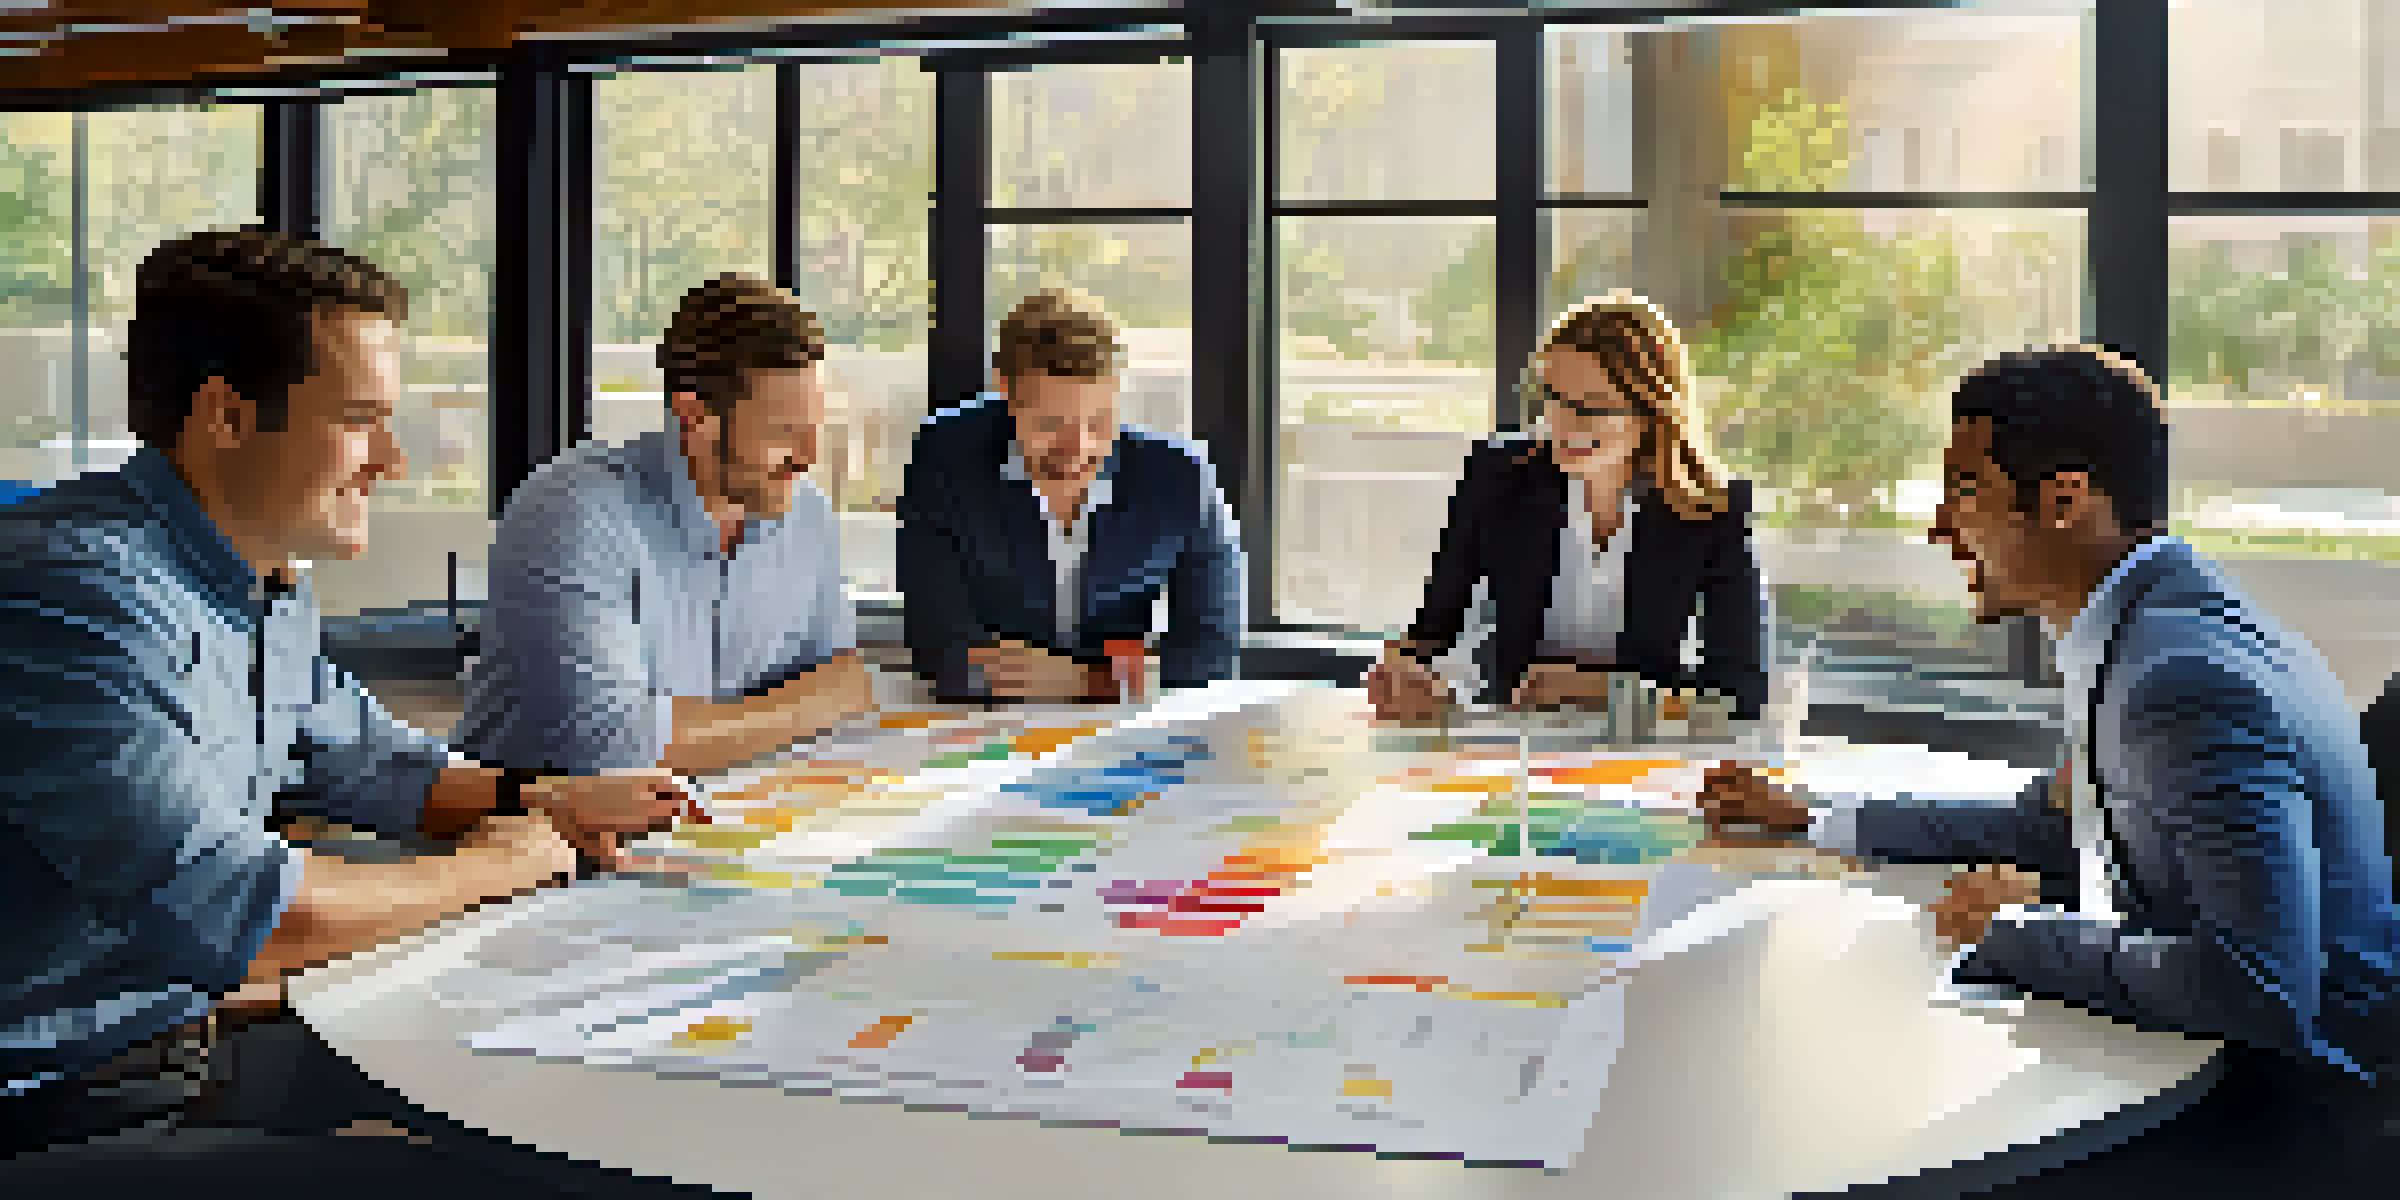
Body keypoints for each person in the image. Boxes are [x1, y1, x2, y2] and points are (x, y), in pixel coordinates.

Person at [0, 230, 682, 1157]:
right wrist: (509, 862)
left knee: (583, 1079)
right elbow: (245, 916)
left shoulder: (264, 579)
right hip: (57, 1103)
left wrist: (541, 800)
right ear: (226, 416)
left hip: (185, 1042)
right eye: (361, 418)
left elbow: (365, 758)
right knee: (482, 1164)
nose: (392, 461)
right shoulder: (73, 598)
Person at [1721, 345, 2400, 1187]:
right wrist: (1821, 814)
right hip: (2222, 1066)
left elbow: (2256, 986)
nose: (1939, 524)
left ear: (2065, 501)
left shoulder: (2177, 679)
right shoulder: (2150, 623)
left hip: (2286, 1112)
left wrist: (2010, 936)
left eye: (1966, 490)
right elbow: (2055, 820)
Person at [457, 273, 875, 779]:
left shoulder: (806, 512)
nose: (808, 458)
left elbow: (843, 688)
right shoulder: (574, 516)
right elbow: (606, 750)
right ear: (694, 416)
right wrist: (801, 710)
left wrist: (687, 730)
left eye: (815, 430)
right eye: (783, 433)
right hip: (530, 838)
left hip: (715, 829)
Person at [1366, 292, 1768, 723]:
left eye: (1589, 407)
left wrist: (1600, 689)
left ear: (1651, 411)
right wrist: (1406, 674)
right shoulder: (1499, 476)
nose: (1560, 424)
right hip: (1510, 745)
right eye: (1553, 397)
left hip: (1645, 755)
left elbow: (1738, 693)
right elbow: (1431, 635)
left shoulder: (1713, 509)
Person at [898, 288, 1243, 702]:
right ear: (1004, 389)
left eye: (1098, 422)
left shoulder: (1179, 478)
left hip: (1120, 724)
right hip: (988, 719)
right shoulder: (946, 456)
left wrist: (1084, 680)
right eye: (1050, 424)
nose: (1076, 448)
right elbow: (940, 649)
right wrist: (1132, 673)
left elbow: (1212, 652)